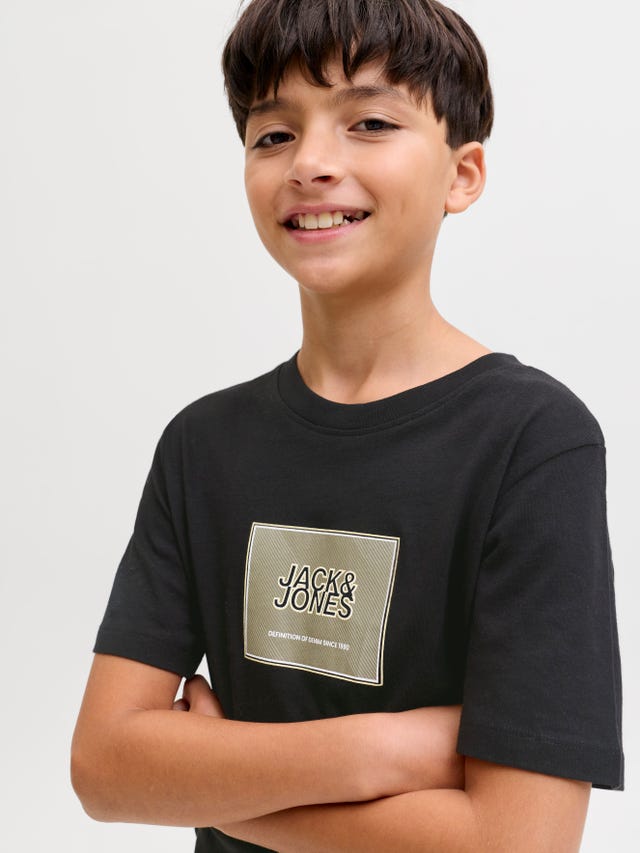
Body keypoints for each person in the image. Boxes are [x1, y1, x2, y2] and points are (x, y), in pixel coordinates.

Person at [71, 0, 624, 850]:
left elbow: (521, 840)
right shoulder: (202, 446)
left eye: (369, 122)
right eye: (273, 135)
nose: (311, 164)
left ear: (463, 174)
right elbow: (104, 768)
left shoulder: (533, 440)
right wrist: (383, 749)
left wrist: (209, 785)